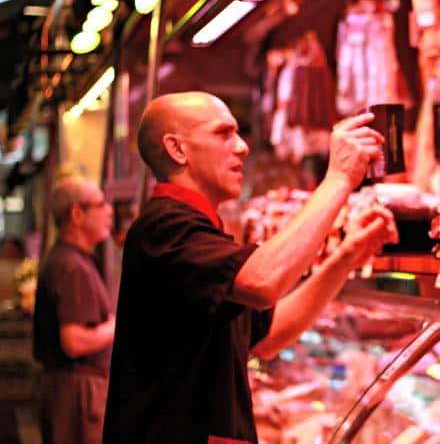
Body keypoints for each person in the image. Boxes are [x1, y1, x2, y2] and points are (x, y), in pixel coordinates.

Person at [103, 91, 397, 444]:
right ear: (177, 149)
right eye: (223, 133)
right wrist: (338, 179)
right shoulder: (166, 228)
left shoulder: (199, 233)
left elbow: (270, 336)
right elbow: (263, 281)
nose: (242, 147)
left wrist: (347, 257)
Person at [33, 176, 115, 444]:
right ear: (77, 214)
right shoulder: (71, 266)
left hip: (73, 391)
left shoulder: (74, 259)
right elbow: (74, 342)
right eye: (101, 204)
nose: (109, 211)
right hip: (77, 394)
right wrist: (117, 325)